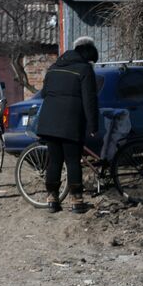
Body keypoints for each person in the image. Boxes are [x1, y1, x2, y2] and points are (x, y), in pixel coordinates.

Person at [34, 36, 100, 213]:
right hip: (71, 122)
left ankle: (52, 200)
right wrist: (94, 125)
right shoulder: (84, 69)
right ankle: (77, 201)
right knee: (72, 161)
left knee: (54, 161)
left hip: (49, 122)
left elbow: (44, 94)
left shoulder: (54, 67)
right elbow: (90, 100)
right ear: (87, 53)